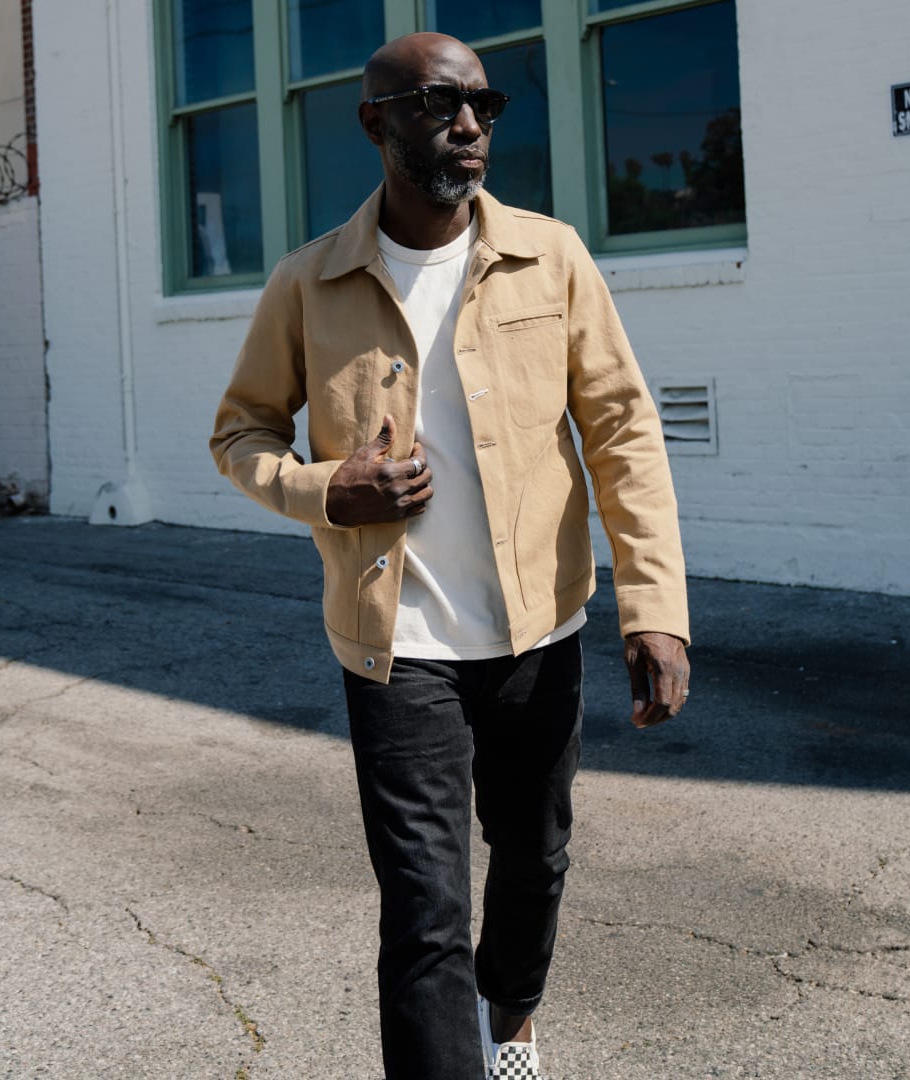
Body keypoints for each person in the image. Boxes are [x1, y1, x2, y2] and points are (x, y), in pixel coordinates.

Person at [208, 32, 692, 1080]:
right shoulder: (311, 283)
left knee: (535, 858)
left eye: (483, 104)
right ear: (375, 122)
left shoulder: (552, 256)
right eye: (436, 102)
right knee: (425, 907)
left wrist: (654, 609)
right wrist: (323, 488)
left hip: (537, 625)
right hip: (397, 644)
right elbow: (240, 434)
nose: (467, 124)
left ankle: (509, 1017)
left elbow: (622, 431)